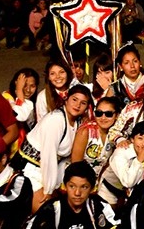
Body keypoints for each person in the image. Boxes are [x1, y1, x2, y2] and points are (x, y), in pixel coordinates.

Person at [13, 84, 92, 214]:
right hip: (29, 168)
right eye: (74, 99)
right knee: (45, 211)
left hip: (48, 170)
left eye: (83, 103)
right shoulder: (56, 119)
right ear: (66, 99)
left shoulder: (77, 122)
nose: (77, 105)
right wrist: (48, 190)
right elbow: (48, 157)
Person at [96, 121, 144, 210]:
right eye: (140, 138)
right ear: (132, 139)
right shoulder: (121, 153)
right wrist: (139, 159)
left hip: (128, 195)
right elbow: (128, 182)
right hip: (108, 192)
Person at [70, 96, 119, 180]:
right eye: (99, 113)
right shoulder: (85, 132)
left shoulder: (117, 134)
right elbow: (75, 165)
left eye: (108, 114)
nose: (103, 118)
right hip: (81, 181)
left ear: (117, 115)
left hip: (101, 182)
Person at [35, 59, 78, 123]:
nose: (58, 76)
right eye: (52, 74)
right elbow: (41, 122)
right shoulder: (43, 96)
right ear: (48, 77)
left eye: (61, 72)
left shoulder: (76, 90)